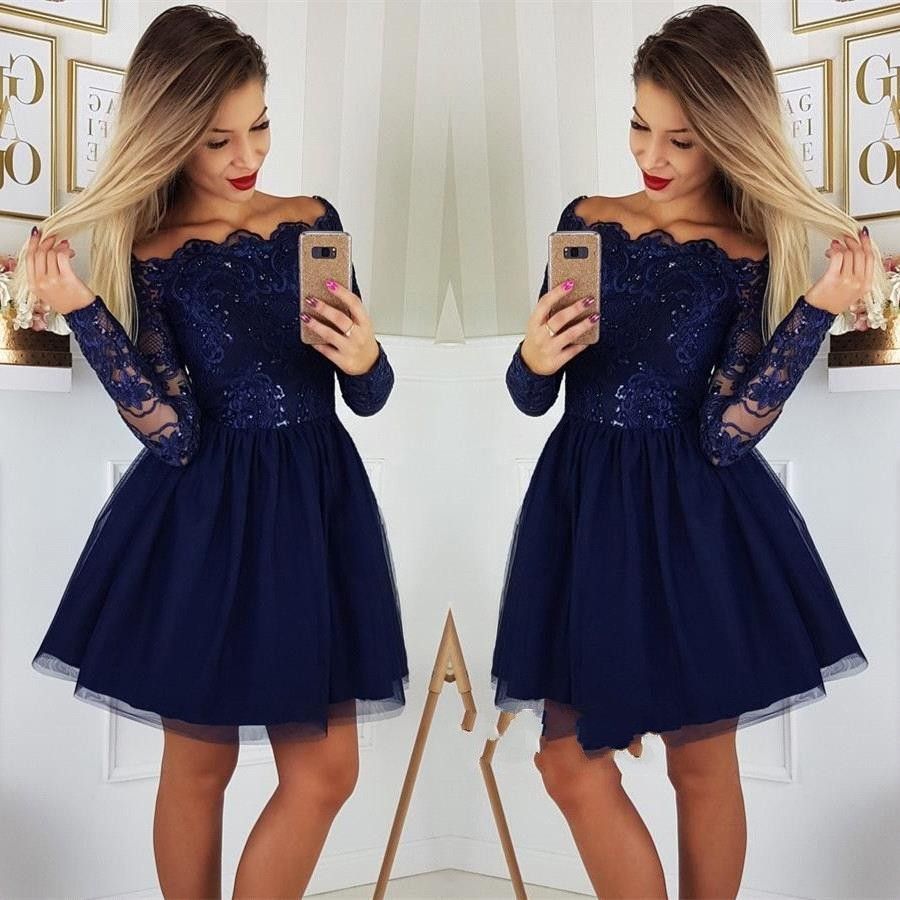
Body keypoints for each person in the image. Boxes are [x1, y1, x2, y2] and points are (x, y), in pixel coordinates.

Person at [489, 5, 883, 898]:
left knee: (700, 767)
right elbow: (529, 397)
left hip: (693, 518)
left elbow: (724, 429)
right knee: (567, 762)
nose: (652, 156)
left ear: (731, 137)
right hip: (582, 508)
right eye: (640, 125)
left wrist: (816, 307)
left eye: (682, 139)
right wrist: (533, 358)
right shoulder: (586, 220)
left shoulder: (747, 251)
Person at [18, 5, 408, 896]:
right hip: (205, 517)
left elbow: (369, 397)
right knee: (201, 766)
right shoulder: (152, 252)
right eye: (217, 139)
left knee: (325, 772)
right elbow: (174, 429)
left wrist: (366, 357)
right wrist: (83, 309)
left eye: (259, 125)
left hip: (316, 506)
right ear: (168, 137)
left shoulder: (313, 220)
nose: (247, 156)